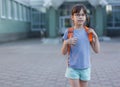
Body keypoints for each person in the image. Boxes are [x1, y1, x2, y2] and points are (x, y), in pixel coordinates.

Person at [61, 4, 100, 87]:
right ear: (72, 17)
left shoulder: (88, 32)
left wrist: (95, 36)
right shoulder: (69, 32)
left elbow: (97, 51)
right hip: (73, 68)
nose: (80, 17)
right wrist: (66, 42)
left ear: (85, 17)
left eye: (83, 15)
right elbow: (63, 52)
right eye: (77, 15)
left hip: (85, 67)